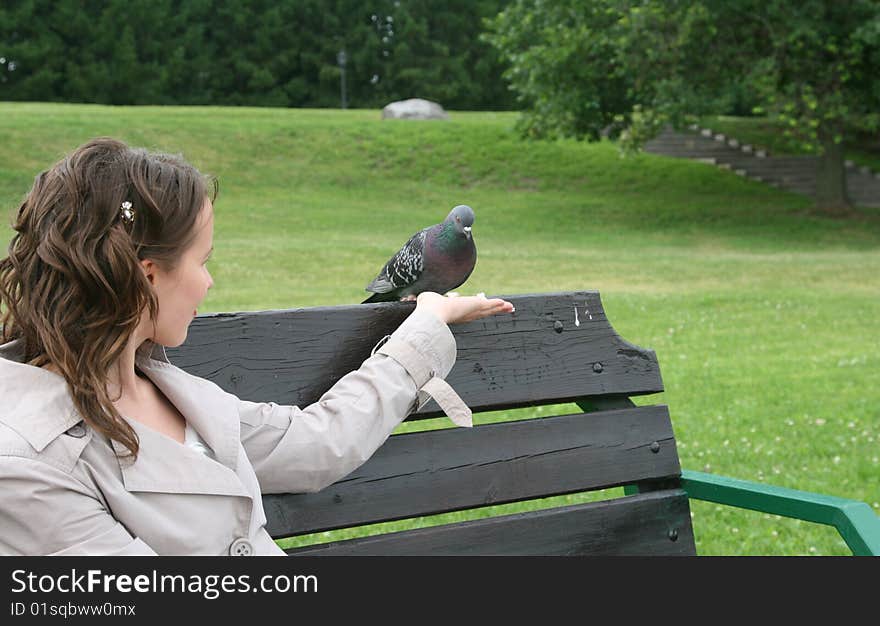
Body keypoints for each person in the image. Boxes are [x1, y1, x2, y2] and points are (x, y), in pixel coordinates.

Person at [0, 137, 515, 555]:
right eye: (203, 261)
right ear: (148, 276)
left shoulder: (164, 389)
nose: (209, 283)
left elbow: (316, 443)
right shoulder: (28, 463)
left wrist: (426, 323)